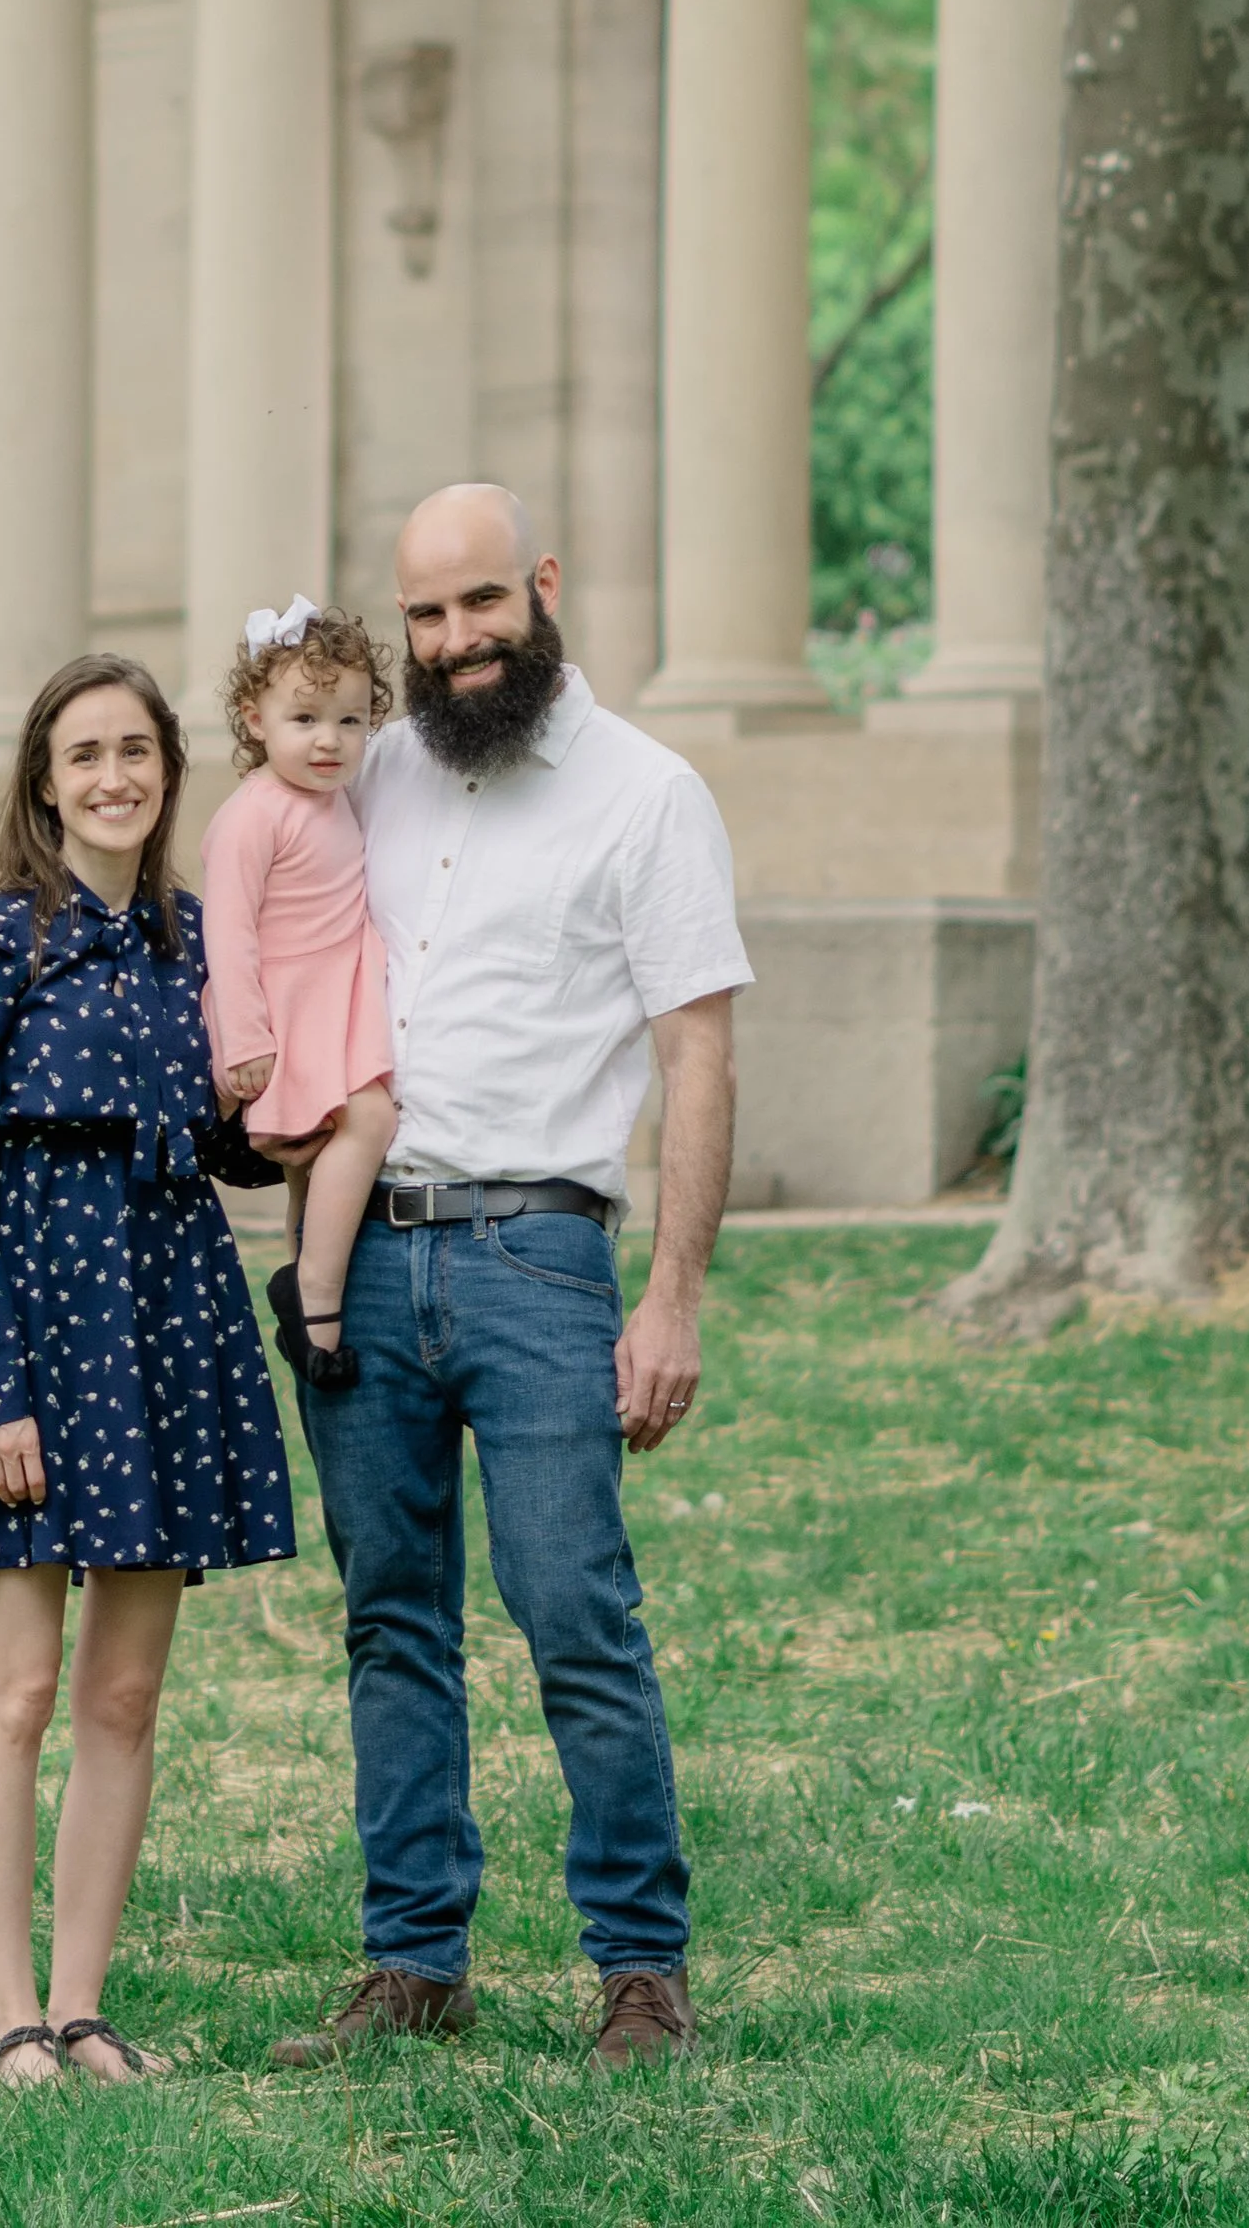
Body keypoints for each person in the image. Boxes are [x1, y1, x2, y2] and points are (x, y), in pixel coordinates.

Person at [267, 483, 752, 2077]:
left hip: (544, 1257)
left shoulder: (647, 792)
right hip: (368, 1259)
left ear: (542, 587)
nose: (455, 642)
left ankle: (640, 1970)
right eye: (424, 615)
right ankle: (417, 1959)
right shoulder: (376, 773)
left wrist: (670, 1296)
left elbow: (698, 1052)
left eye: (481, 604)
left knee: (575, 1618)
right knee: (389, 1620)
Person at [0, 652, 294, 2086]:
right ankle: (5, 2013)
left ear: (167, 772)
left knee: (123, 1697)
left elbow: (221, 1140)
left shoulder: (201, 944)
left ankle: (81, 2002)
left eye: (137, 750)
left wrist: (271, 1111)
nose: (115, 775)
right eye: (86, 755)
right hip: (32, 1332)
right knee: (16, 1688)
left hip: (168, 1325)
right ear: (45, 783)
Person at [200, 594, 399, 1386]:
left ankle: (306, 1305)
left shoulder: (335, 800)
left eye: (350, 722)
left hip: (335, 988)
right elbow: (229, 930)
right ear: (255, 720)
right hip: (286, 1004)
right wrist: (244, 1038)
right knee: (369, 1117)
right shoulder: (256, 813)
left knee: (315, 1168)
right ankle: (317, 1294)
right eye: (306, 718)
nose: (330, 740)